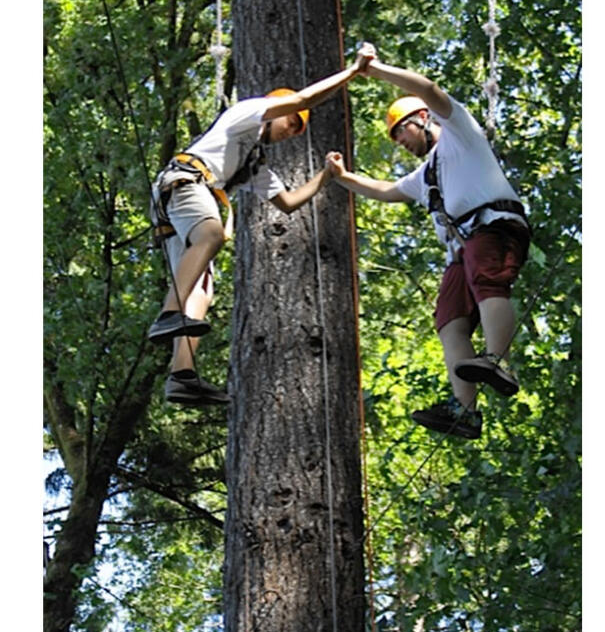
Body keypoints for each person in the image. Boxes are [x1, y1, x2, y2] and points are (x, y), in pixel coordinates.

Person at [147, 46, 375, 405]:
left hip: (185, 196)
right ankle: (168, 314)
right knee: (210, 234)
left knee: (203, 289)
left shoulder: (253, 160)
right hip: (185, 183)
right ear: (275, 111)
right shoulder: (244, 113)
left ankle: (181, 375)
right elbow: (303, 97)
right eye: (291, 123)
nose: (292, 132)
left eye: (297, 130)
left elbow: (287, 203)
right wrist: (353, 72)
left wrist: (327, 176)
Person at [325, 45, 530, 441]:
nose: (397, 140)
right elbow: (386, 190)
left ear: (421, 118)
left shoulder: (460, 133)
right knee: (449, 321)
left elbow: (430, 88)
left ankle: (497, 359)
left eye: (399, 130)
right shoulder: (425, 176)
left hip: (492, 227)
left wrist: (377, 70)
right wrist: (342, 177)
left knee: (488, 282)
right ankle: (464, 410)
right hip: (463, 250)